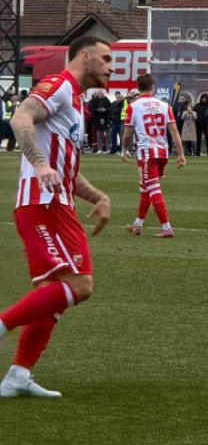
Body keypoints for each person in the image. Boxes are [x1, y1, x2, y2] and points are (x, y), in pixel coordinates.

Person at [0, 36, 113, 398]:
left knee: (55, 293)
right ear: (85, 56)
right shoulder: (59, 85)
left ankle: (19, 374)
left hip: (57, 202)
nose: (111, 67)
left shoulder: (77, 102)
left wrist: (98, 196)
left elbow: (67, 171)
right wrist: (39, 163)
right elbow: (21, 117)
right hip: (42, 203)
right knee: (80, 286)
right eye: (106, 58)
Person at [122, 73, 186, 238]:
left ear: (138, 88)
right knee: (145, 188)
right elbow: (174, 131)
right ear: (153, 87)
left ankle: (166, 227)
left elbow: (127, 135)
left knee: (153, 189)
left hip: (147, 152)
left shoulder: (133, 107)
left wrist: (124, 150)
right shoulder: (165, 106)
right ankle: (137, 224)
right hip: (162, 152)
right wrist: (181, 154)